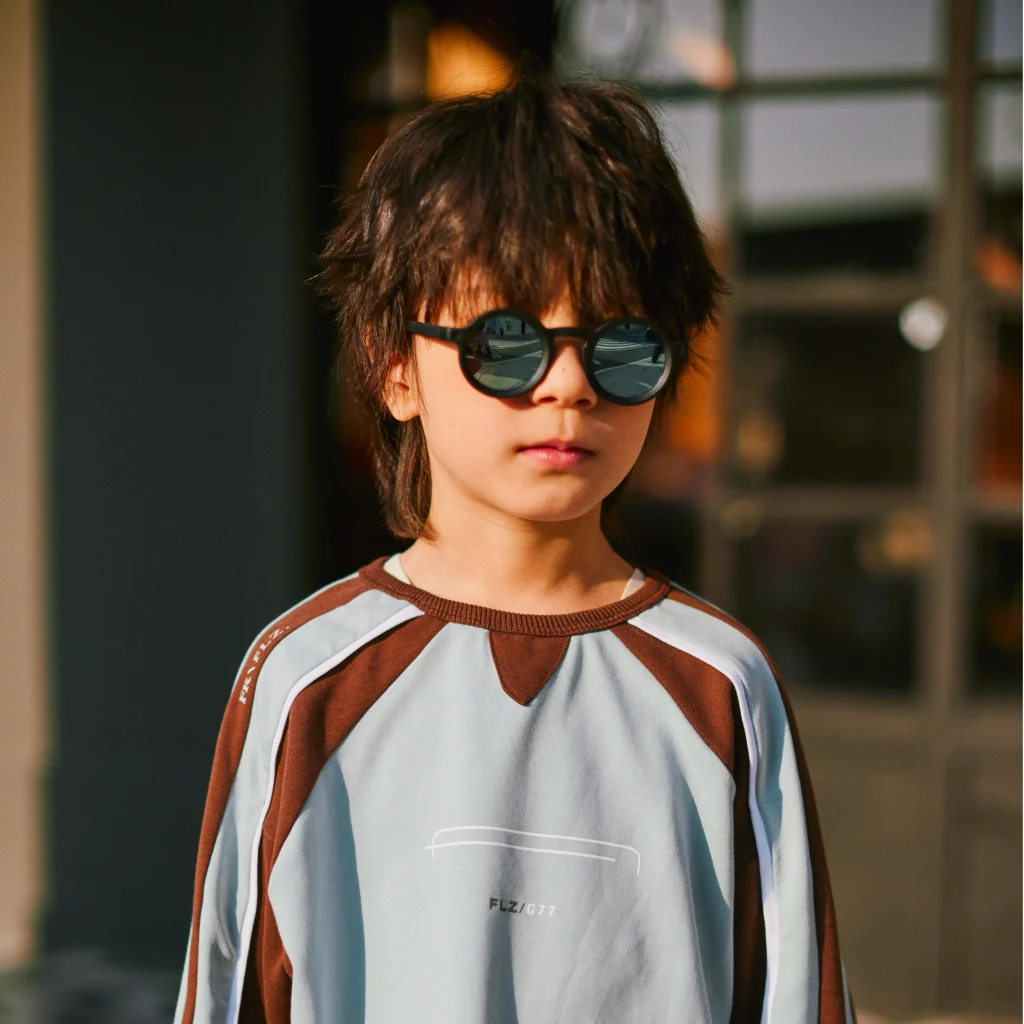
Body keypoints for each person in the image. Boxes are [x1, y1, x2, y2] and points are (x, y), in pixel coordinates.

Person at [175, 68, 854, 1024]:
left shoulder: (720, 684)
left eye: (621, 346)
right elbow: (232, 987)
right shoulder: (309, 678)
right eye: (506, 343)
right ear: (393, 365)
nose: (569, 386)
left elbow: (793, 993)